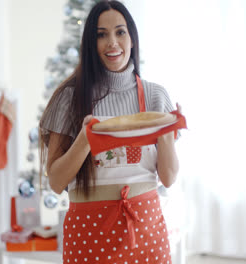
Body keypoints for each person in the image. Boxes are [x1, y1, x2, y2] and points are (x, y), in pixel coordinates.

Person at [39, 1, 181, 263]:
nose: (112, 42)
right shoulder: (69, 98)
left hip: (145, 232)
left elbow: (169, 177)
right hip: (89, 233)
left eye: (120, 32)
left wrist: (166, 131)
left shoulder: (156, 96)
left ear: (132, 39)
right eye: (101, 35)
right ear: (90, 44)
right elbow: (57, 182)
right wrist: (84, 140)